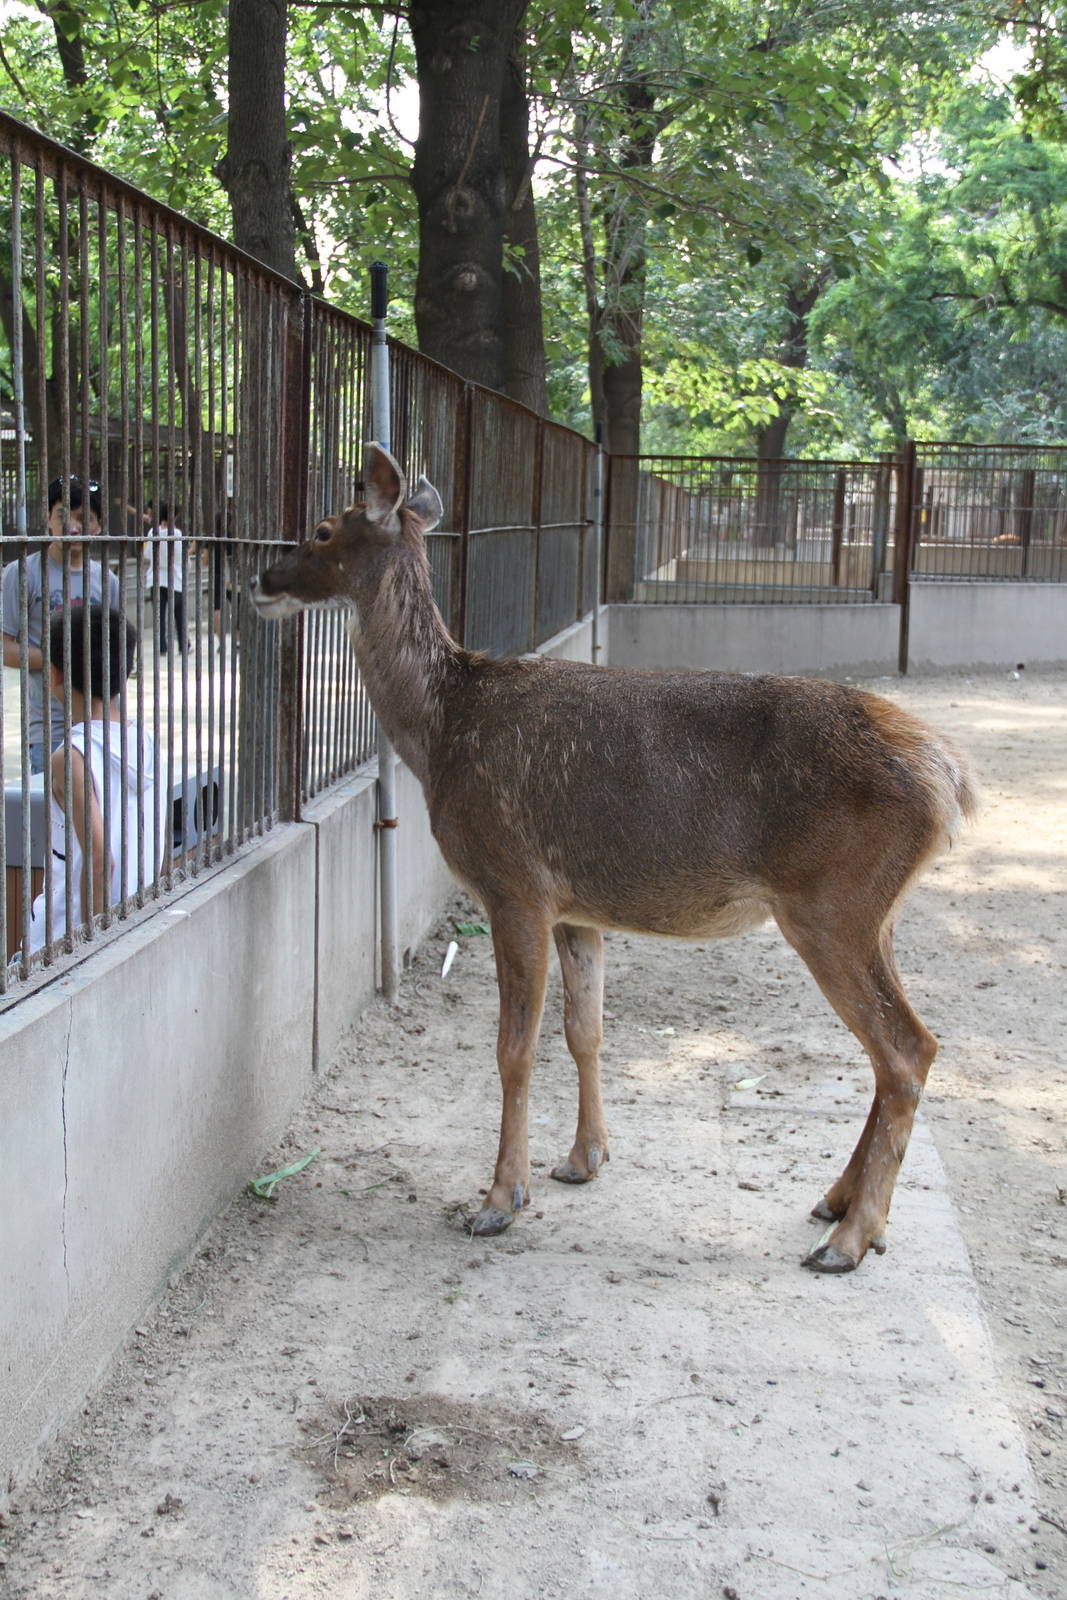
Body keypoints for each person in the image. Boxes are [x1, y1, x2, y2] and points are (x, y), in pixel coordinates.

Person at [27, 604, 159, 953]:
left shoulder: (72, 756)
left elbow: (101, 858)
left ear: (54, 673)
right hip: (135, 915)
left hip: (66, 937)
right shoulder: (145, 740)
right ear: (126, 670)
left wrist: (93, 948)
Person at [1, 475, 121, 773]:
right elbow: (5, 650)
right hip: (48, 728)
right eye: (63, 515)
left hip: (99, 726)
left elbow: (114, 656)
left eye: (85, 518)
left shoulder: (107, 582)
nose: (73, 526)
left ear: (98, 526)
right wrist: (63, 659)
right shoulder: (22, 573)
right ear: (48, 519)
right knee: (53, 817)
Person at [143, 500, 187, 653]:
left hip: (155, 577)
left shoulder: (151, 532)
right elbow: (180, 556)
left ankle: (161, 646)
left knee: (159, 614)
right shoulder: (177, 533)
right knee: (178, 614)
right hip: (174, 578)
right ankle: (183, 644)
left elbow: (147, 554)